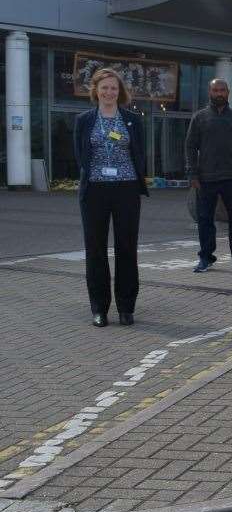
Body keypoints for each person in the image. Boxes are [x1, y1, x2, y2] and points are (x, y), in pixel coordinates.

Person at [75, 68, 148, 327]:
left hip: (126, 189)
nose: (109, 92)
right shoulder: (84, 120)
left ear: (120, 92)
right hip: (95, 190)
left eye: (114, 88)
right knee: (95, 250)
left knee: (126, 248)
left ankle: (126, 307)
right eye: (104, 87)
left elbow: (140, 152)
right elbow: (81, 155)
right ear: (96, 90)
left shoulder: (132, 120)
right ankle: (99, 309)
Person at [185, 79, 232, 273]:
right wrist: (192, 174)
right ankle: (206, 258)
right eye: (215, 90)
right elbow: (190, 147)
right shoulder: (199, 118)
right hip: (206, 178)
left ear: (228, 92)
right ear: (209, 92)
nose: (219, 93)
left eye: (222, 90)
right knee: (205, 219)